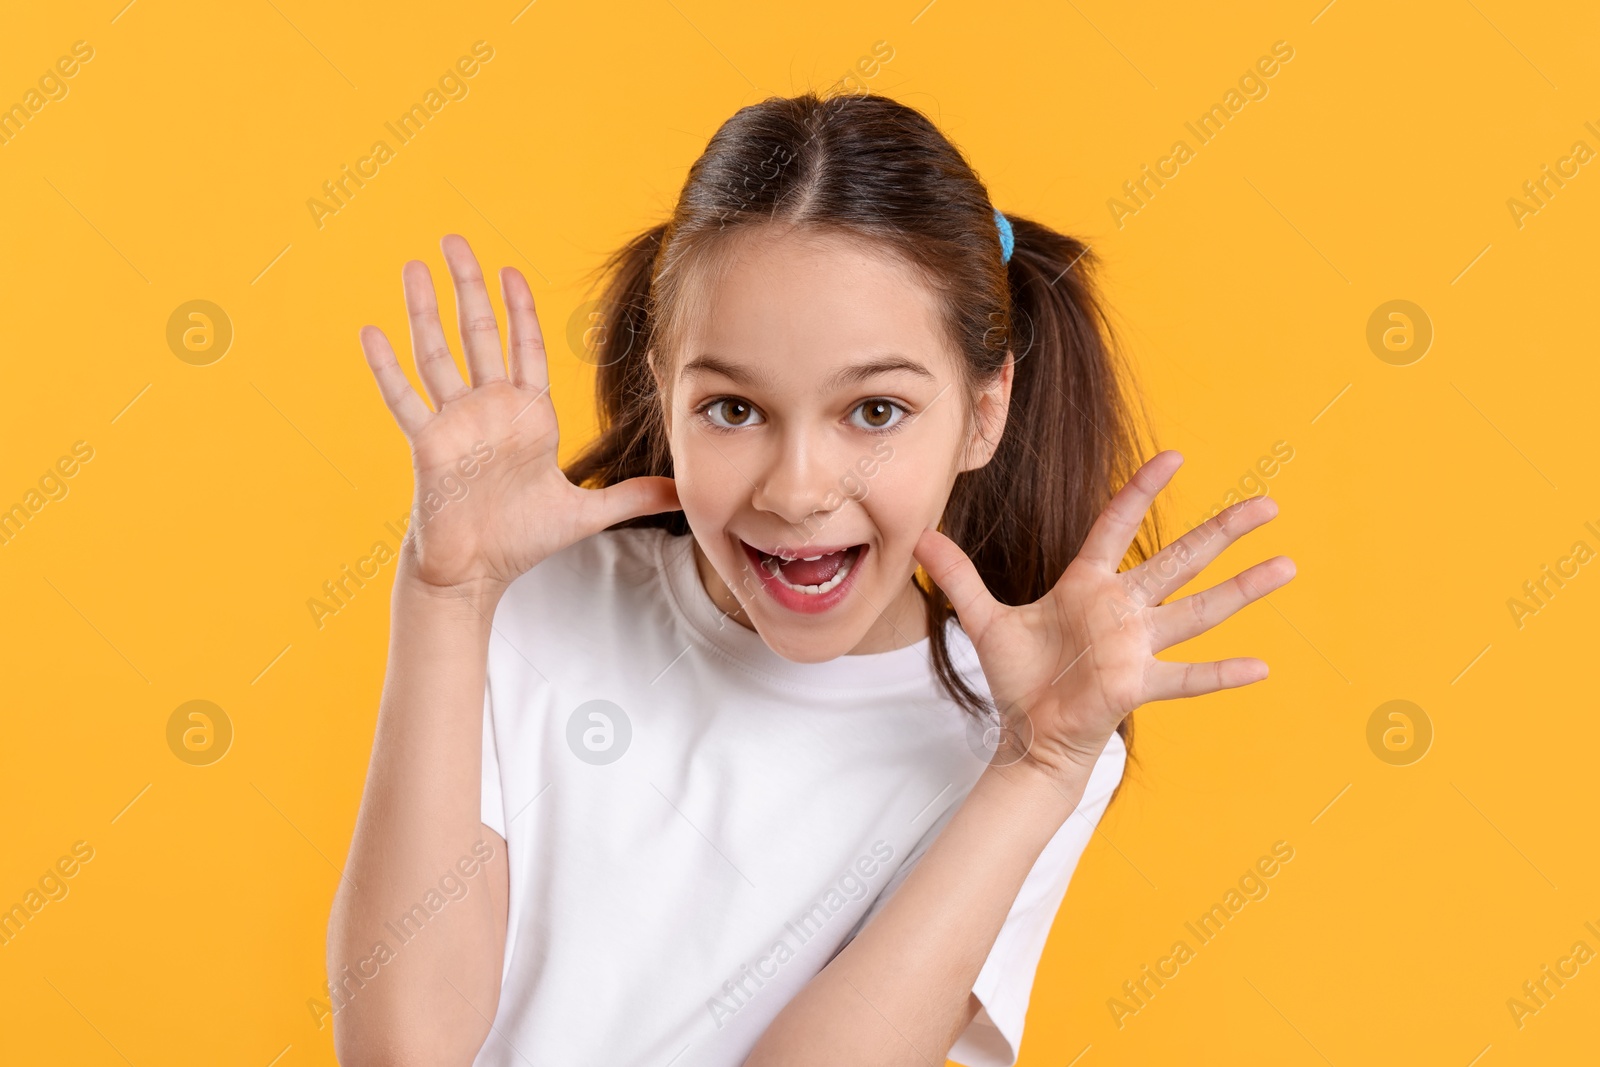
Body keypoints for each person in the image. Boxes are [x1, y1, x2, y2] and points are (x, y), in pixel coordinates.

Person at [326, 89, 1293, 1067]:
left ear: (984, 412)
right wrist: (444, 597)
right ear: (663, 393)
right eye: (734, 409)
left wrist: (1036, 766)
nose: (797, 490)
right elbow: (400, 1050)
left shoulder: (1029, 730)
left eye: (874, 411)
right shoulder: (541, 603)